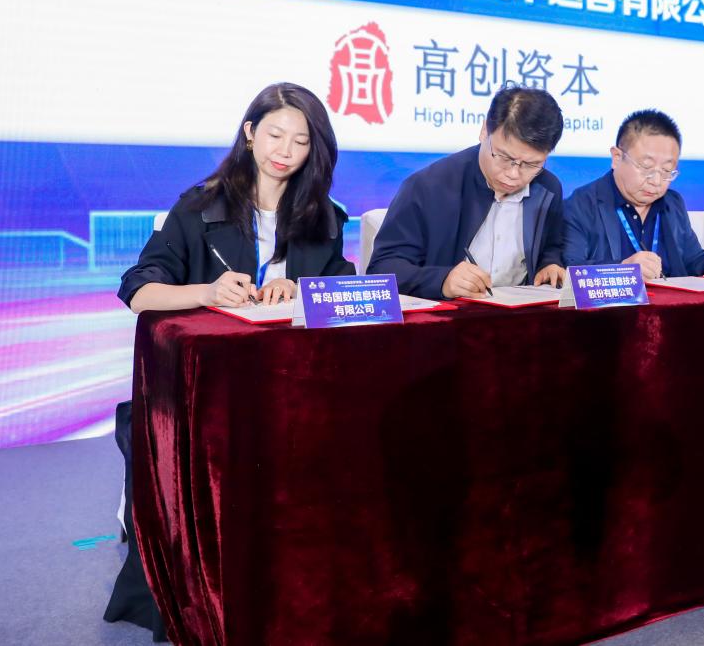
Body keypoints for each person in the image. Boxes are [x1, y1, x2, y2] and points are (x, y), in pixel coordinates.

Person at [108, 82, 354, 640]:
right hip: (208, 400)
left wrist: (304, 289)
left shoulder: (324, 216)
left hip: (291, 393)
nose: (285, 150)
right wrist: (208, 292)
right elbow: (138, 290)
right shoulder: (200, 207)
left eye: (300, 141)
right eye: (274, 134)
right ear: (249, 133)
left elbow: (345, 288)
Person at [369, 87, 568, 298]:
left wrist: (549, 264)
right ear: (484, 131)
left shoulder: (548, 188)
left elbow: (551, 247)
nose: (513, 174)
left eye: (531, 164)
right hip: (449, 314)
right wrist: (442, 281)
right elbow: (382, 269)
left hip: (523, 314)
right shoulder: (429, 187)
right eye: (504, 157)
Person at [564, 109, 704, 280]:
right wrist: (622, 269)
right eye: (646, 167)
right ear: (617, 158)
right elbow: (570, 267)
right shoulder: (581, 204)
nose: (656, 181)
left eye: (667, 170)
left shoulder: (673, 203)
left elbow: (693, 258)